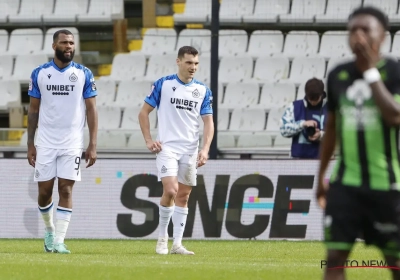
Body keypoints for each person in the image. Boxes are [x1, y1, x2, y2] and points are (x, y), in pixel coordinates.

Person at [316, 7, 400, 280]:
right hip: (345, 187)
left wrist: (371, 73)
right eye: (353, 30)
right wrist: (321, 178)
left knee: (394, 262)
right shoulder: (339, 74)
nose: (358, 36)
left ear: (383, 36)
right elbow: (332, 129)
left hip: (387, 186)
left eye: (365, 29)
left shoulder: (395, 72)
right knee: (335, 261)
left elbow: (394, 116)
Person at [27, 29, 98, 254]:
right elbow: (33, 110)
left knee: (66, 190)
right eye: (64, 43)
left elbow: (91, 109)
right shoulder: (39, 73)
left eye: (71, 43)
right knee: (45, 191)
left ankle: (59, 241)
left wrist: (93, 143)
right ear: (54, 46)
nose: (69, 46)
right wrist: (31, 143)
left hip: (72, 143)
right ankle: (49, 230)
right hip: (46, 142)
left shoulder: (84, 73)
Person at [138, 46, 214, 255]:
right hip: (167, 148)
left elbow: (208, 122)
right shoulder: (164, 84)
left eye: (196, 63)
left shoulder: (203, 90)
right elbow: (144, 113)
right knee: (171, 190)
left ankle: (177, 244)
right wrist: (148, 140)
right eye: (189, 62)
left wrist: (205, 149)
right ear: (178, 61)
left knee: (184, 196)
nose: (193, 67)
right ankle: (162, 238)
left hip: (190, 149)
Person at [280, 78, 328, 159]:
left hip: (323, 160)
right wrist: (302, 124)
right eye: (310, 99)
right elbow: (283, 130)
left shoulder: (331, 108)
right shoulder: (294, 106)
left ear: (322, 94)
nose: (313, 102)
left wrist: (321, 135)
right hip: (298, 158)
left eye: (316, 99)